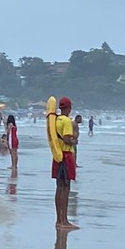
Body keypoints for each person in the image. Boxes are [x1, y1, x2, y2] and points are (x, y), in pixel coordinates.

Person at [53, 97, 79, 229]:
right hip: (66, 155)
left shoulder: (56, 120)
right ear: (69, 108)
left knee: (59, 187)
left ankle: (59, 219)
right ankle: (64, 220)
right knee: (65, 187)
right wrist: (75, 141)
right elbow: (67, 139)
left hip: (57, 155)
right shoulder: (67, 121)